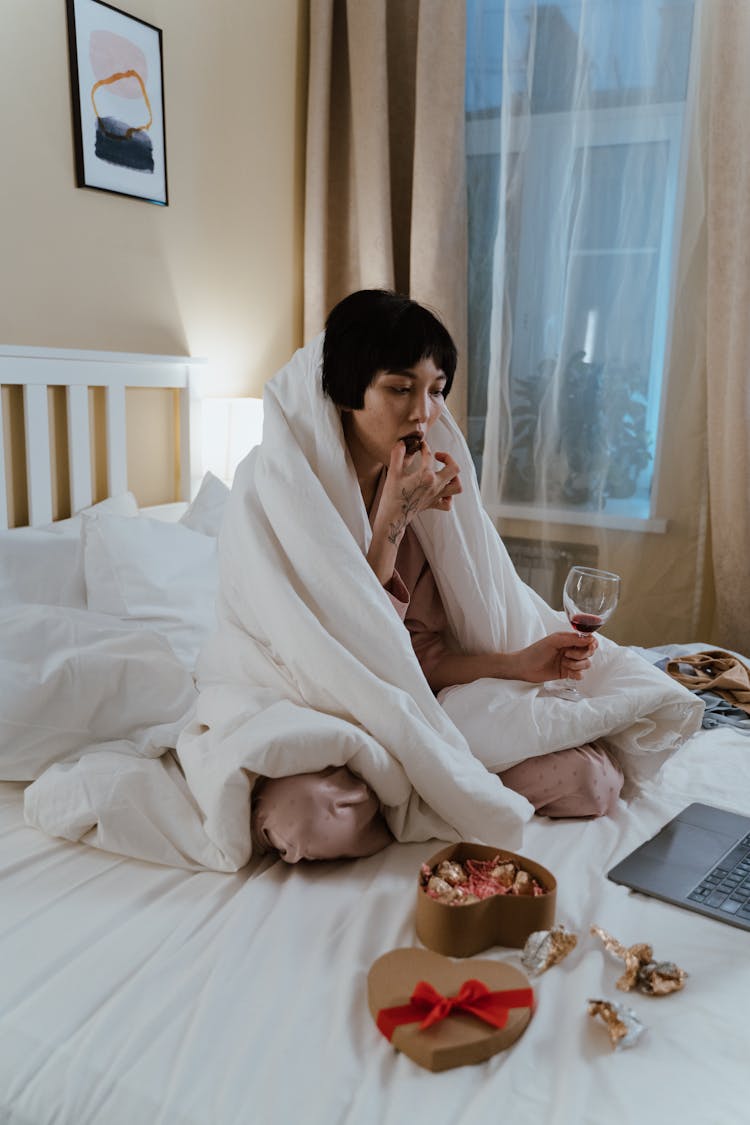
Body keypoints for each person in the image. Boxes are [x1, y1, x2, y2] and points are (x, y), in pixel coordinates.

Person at [251, 290, 624, 862]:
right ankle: (423, 789)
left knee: (590, 781)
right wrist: (393, 522)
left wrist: (516, 663)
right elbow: (339, 650)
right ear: (347, 388)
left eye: (436, 391)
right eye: (400, 388)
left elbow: (417, 656)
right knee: (306, 821)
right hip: (319, 706)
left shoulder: (425, 479)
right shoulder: (276, 487)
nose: (423, 412)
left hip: (413, 707)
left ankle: (417, 791)